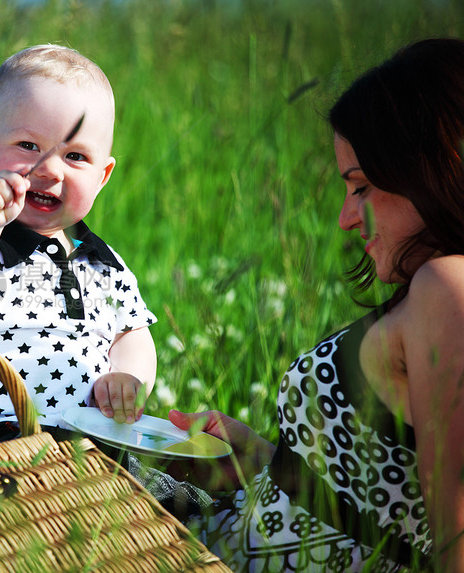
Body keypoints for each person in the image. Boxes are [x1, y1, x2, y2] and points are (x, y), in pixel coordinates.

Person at [168, 38, 464, 572]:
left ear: (432, 171)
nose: (347, 220)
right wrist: (259, 456)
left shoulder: (449, 288)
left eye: (362, 186)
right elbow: (368, 509)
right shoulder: (428, 292)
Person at [0, 44, 157, 459]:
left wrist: (128, 379)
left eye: (76, 156)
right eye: (28, 146)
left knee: (164, 498)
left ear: (102, 177)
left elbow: (132, 334)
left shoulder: (103, 262)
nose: (50, 169)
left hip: (88, 445)